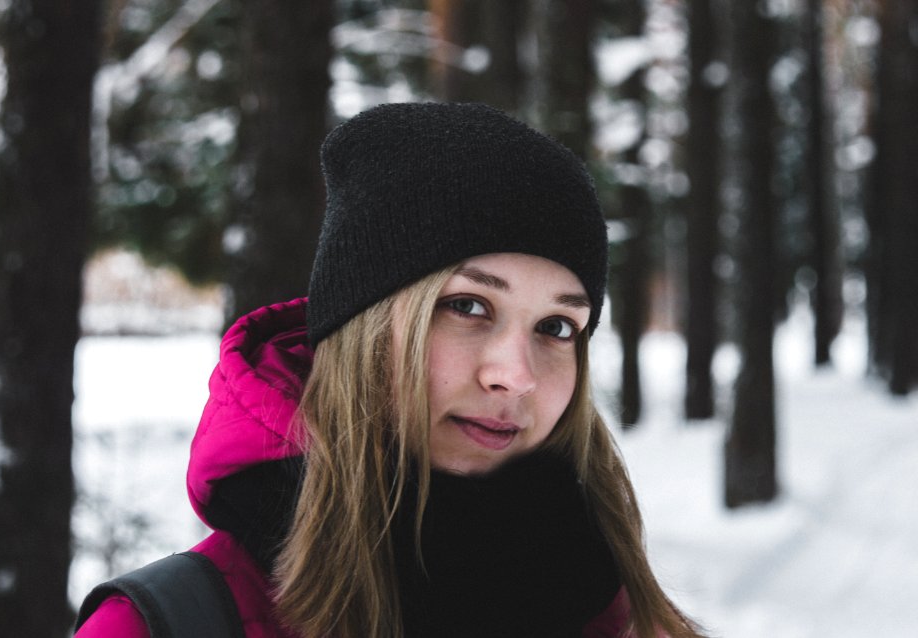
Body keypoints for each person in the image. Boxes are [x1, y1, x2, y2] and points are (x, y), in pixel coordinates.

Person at [75, 102, 704, 638]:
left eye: (557, 327)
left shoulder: (606, 602)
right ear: (364, 325)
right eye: (467, 305)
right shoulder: (161, 625)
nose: (517, 375)